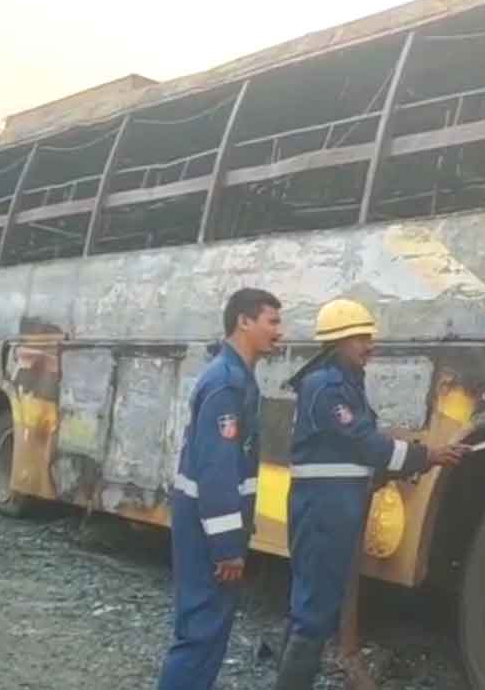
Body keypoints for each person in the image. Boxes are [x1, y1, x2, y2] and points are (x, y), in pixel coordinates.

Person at [274, 298, 469, 689]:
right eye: (361, 337)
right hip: (322, 512)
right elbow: (365, 444)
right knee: (314, 612)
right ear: (338, 342)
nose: (370, 346)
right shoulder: (327, 387)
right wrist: (425, 456)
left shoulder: (342, 382)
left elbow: (359, 448)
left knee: (313, 606)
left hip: (331, 510)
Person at [158, 287, 284, 690]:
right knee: (200, 633)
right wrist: (229, 546)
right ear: (244, 322)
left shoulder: (236, 378)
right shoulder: (227, 384)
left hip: (207, 527)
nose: (279, 332)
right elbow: (217, 470)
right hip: (207, 531)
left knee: (209, 633)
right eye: (272, 321)